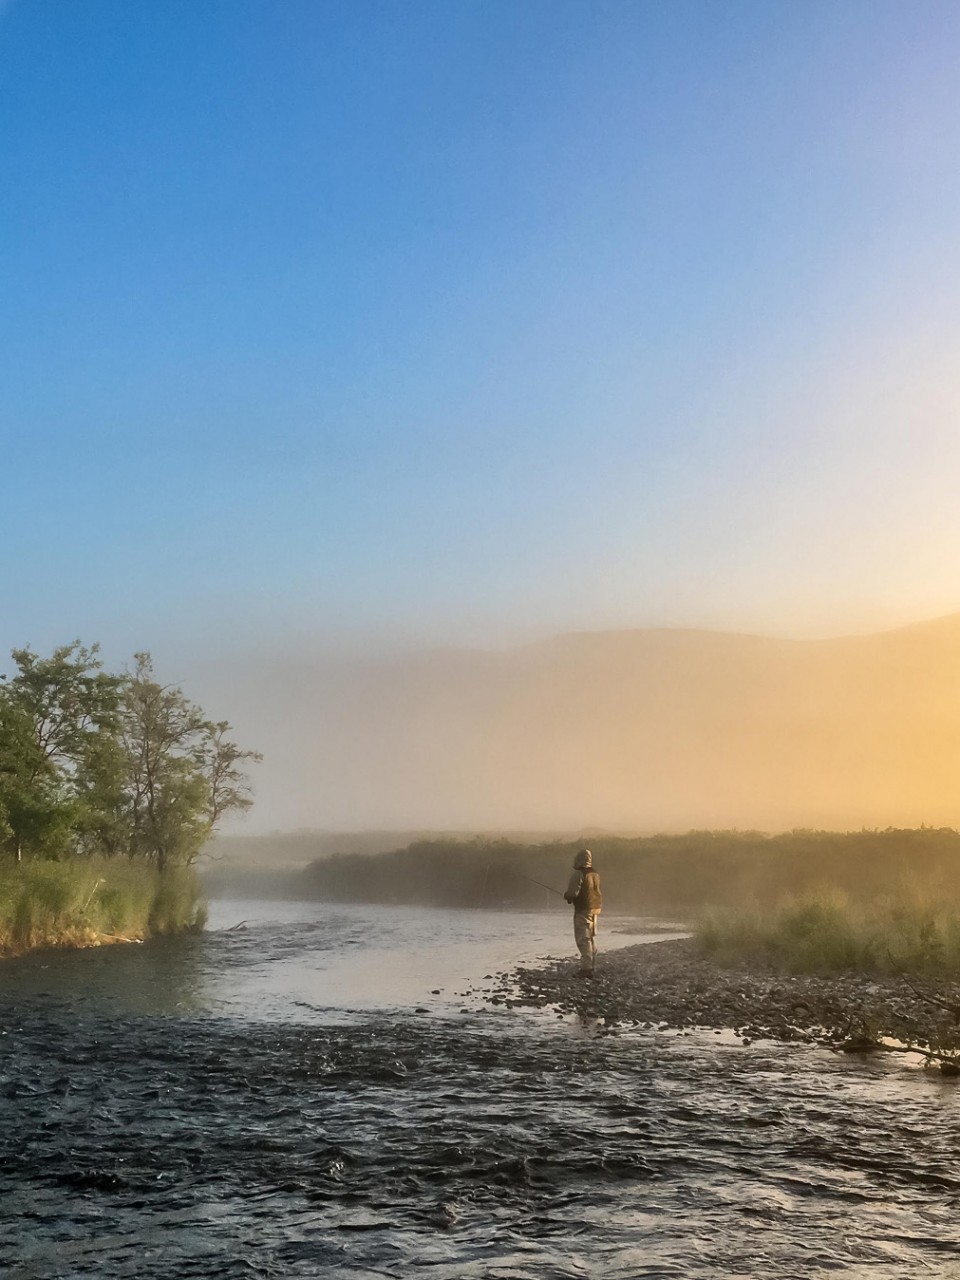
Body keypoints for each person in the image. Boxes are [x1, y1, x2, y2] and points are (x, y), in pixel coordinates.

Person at [564, 848, 602, 975]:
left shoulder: (579, 874)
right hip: (595, 907)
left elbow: (573, 893)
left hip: (583, 909)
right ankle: (592, 964)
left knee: (583, 938)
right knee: (591, 937)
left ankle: (587, 969)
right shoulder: (595, 873)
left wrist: (567, 896)